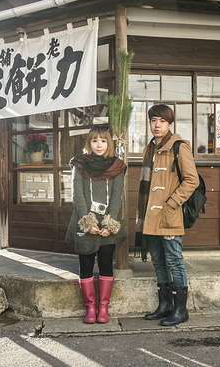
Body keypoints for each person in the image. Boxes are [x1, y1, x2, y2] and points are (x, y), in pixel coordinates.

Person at [135, 104, 199, 326]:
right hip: (151, 217)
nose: (157, 124)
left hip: (169, 215)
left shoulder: (179, 147)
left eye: (162, 121)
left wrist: (172, 203)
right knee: (159, 262)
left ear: (170, 124)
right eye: (153, 120)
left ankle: (181, 309)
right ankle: (164, 305)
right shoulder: (150, 148)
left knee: (174, 261)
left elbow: (192, 180)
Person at [66, 127, 126, 324]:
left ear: (109, 144)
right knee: (86, 265)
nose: (99, 145)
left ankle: (103, 308)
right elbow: (77, 194)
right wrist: (87, 222)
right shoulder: (79, 164)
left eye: (103, 141)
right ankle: (90, 307)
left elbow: (117, 197)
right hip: (86, 222)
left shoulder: (117, 166)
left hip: (107, 224)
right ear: (88, 144)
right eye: (94, 141)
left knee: (106, 264)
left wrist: (111, 223)